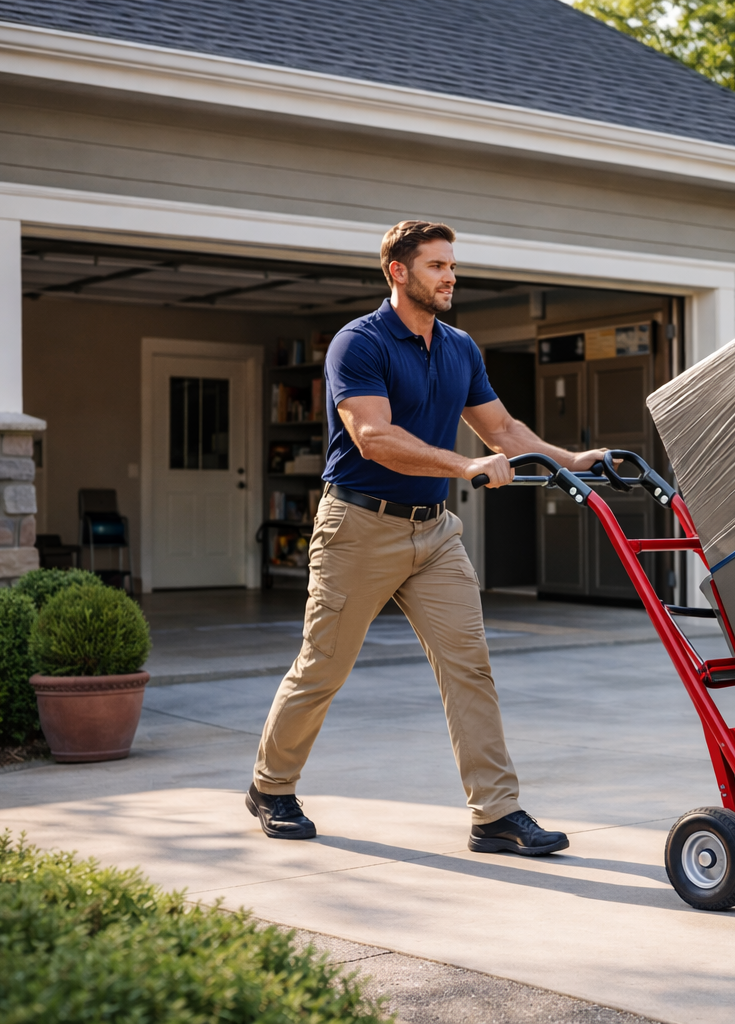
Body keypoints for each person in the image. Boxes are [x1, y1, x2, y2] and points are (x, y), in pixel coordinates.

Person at [246, 220, 612, 856]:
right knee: (324, 666)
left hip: (433, 532)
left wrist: (573, 461)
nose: (450, 276)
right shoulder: (357, 344)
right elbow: (374, 437)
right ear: (399, 271)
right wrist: (461, 464)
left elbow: (504, 429)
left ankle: (495, 814)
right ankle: (271, 786)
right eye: (438, 266)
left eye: (452, 266)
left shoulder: (459, 347)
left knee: (469, 667)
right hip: (358, 526)